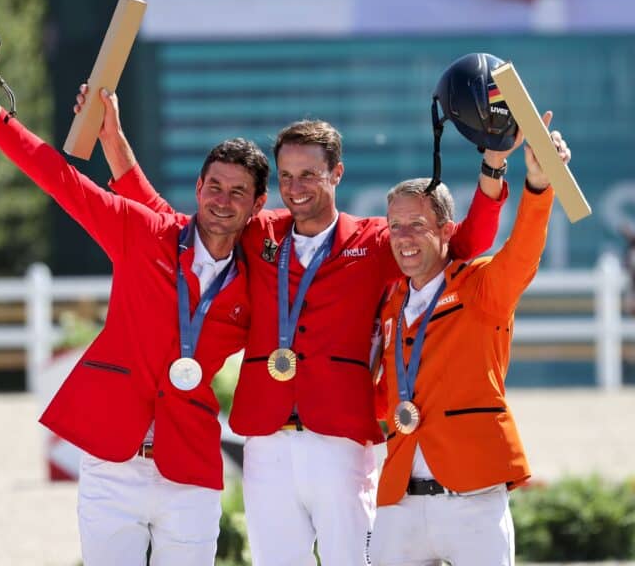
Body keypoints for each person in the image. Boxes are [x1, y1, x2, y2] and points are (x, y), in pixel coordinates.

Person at [76, 83, 506, 564]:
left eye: (308, 175)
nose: (296, 188)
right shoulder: (258, 231)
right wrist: (113, 143)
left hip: (340, 441)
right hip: (266, 441)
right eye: (286, 177)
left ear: (336, 173)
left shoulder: (375, 240)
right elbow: (168, 222)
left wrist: (492, 167)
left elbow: (465, 244)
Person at [0, 71, 268, 566]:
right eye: (214, 186)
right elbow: (61, 181)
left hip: (189, 467)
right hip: (113, 460)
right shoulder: (145, 233)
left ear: (258, 205)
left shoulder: (257, 285)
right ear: (198, 187)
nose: (222, 201)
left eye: (237, 192)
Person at [369, 112, 571, 565]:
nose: (403, 238)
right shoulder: (390, 304)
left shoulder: (479, 286)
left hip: (473, 497)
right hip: (399, 499)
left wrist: (538, 185)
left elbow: (521, 252)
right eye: (395, 226)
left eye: (416, 225)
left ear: (445, 230)